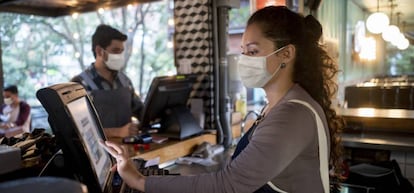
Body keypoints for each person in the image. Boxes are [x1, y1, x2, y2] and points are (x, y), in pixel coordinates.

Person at [101, 6, 344, 193]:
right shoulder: (280, 105)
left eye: (253, 51)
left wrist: (140, 181)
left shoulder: (292, 115)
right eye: (244, 52)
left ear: (286, 54)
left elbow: (229, 185)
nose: (245, 60)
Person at [71, 24, 144, 138]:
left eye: (121, 51)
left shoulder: (125, 81)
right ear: (99, 51)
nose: (120, 56)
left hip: (128, 151)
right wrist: (117, 132)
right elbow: (76, 130)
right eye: (115, 51)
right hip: (98, 154)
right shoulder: (79, 85)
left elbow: (141, 112)